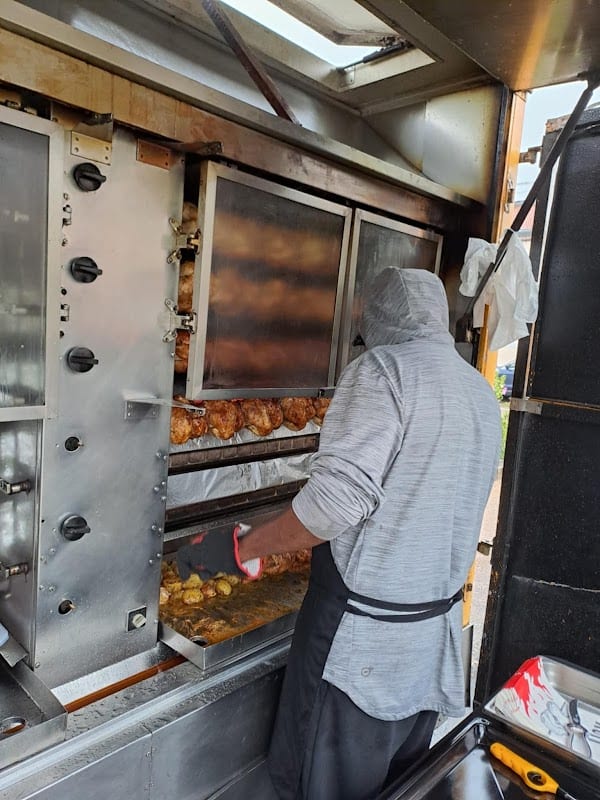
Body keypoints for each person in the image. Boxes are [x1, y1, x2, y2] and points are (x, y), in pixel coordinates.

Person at [179, 267, 501, 800]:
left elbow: (331, 507)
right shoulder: (480, 392)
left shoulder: (383, 372)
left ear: (376, 319)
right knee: (393, 789)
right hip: (430, 646)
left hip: (362, 656)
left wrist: (241, 548)